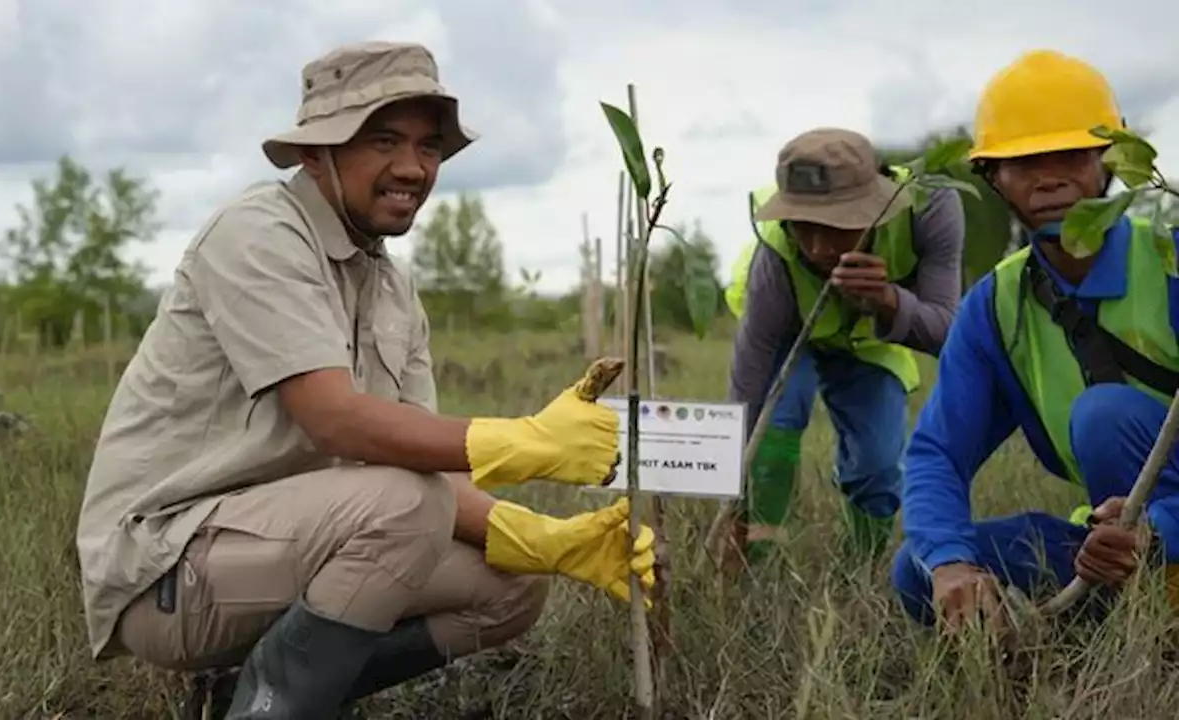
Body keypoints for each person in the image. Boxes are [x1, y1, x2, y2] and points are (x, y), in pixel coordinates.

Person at [74, 40, 656, 719]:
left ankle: (253, 697)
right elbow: (336, 421)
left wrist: (543, 541)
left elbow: (426, 474)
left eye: (428, 147)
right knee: (404, 508)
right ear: (318, 152)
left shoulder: (392, 291)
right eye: (383, 140)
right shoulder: (258, 233)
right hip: (168, 568)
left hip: (281, 547)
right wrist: (526, 441)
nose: (412, 167)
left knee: (511, 585)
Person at [890, 48, 1179, 632]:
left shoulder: (1169, 263)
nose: (1049, 178)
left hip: (1159, 530)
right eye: (1024, 162)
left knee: (1106, 416)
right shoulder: (995, 308)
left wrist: (1159, 530)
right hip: (1114, 545)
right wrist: (950, 566)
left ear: (1109, 161)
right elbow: (938, 454)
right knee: (916, 572)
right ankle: (1128, 606)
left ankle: (1154, 602)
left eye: (1069, 155)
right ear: (993, 178)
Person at [718, 127, 966, 567]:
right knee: (774, 426)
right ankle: (755, 557)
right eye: (803, 227)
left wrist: (888, 301)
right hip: (788, 331)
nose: (816, 248)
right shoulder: (775, 257)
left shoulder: (929, 210)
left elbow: (948, 332)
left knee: (877, 461)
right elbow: (750, 388)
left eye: (835, 228)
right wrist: (734, 494)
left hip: (870, 334)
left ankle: (864, 565)